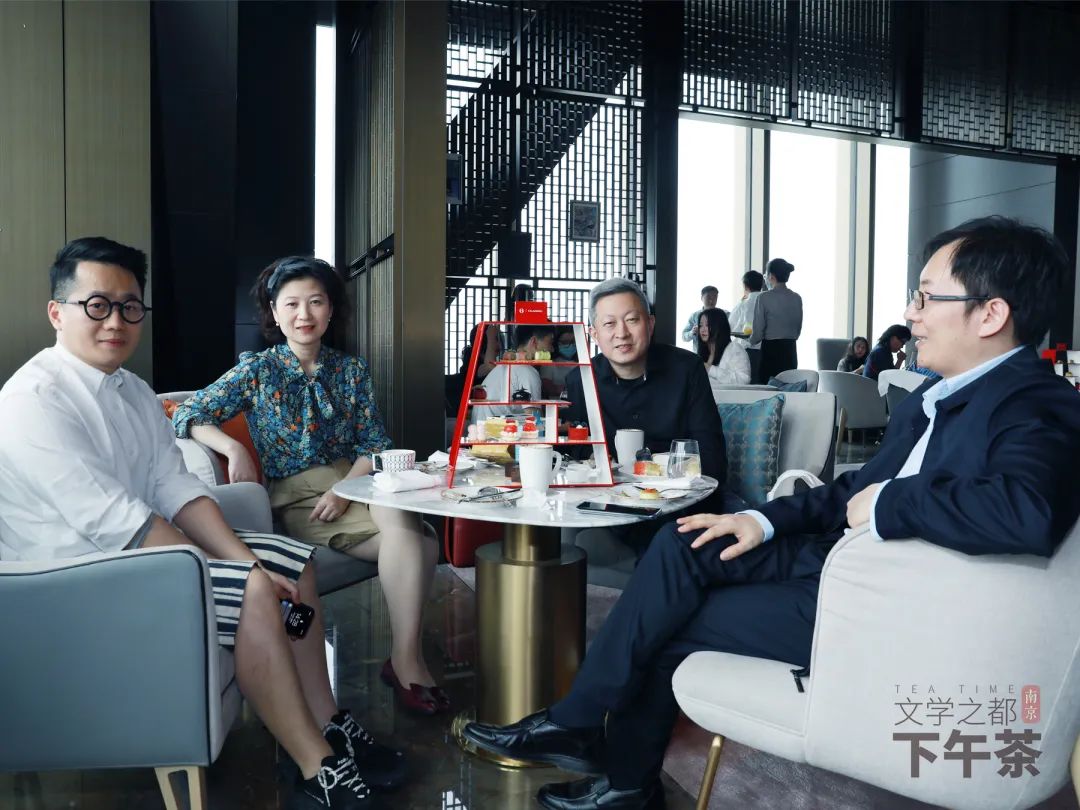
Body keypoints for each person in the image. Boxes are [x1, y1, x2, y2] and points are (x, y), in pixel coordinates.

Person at [462, 217, 1080, 810]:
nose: (911, 314)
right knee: (685, 541)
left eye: (925, 297)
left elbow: (1027, 511)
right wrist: (761, 520)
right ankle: (580, 728)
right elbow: (853, 488)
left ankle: (620, 778)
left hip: (886, 609)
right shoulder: (932, 400)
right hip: (836, 563)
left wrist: (890, 502)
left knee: (673, 620)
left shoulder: (1035, 402)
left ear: (991, 314)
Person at [0, 238, 403, 809]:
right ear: (56, 312)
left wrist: (247, 559)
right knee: (254, 590)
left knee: (294, 564)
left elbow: (177, 489)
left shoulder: (132, 391)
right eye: (97, 305)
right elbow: (118, 523)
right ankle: (318, 768)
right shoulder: (34, 398)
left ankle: (326, 723)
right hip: (71, 583)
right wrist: (242, 573)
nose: (115, 321)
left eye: (129, 306)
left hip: (127, 559)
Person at [172, 256, 446, 717]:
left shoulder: (351, 370)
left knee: (414, 529)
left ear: (331, 310)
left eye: (316, 302)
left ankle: (405, 659)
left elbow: (373, 444)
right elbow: (189, 413)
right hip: (299, 497)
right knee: (422, 541)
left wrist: (345, 490)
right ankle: (406, 662)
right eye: (292, 304)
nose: (305, 314)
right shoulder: (258, 371)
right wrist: (234, 448)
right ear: (274, 313)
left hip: (357, 483)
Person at [471, 323, 557, 421]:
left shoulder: (506, 365)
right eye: (550, 342)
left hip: (482, 426)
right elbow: (535, 419)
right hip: (493, 429)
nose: (552, 349)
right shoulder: (527, 371)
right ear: (534, 342)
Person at [749, 258, 803, 382]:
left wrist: (748, 340)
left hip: (771, 352)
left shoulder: (763, 298)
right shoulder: (797, 298)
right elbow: (797, 331)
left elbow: (757, 334)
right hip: (790, 351)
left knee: (768, 389)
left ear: (771, 276)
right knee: (788, 388)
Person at [697, 307, 751, 399]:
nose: (703, 329)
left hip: (730, 402)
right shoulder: (703, 351)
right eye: (701, 325)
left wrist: (710, 369)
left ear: (719, 326)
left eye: (707, 325)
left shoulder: (735, 349)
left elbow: (744, 381)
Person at [728, 270, 765, 382]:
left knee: (749, 383)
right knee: (765, 382)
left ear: (745, 286)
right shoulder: (768, 302)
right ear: (762, 284)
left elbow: (729, 327)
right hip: (768, 349)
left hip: (748, 351)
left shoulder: (743, 304)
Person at [540, 326, 579, 399]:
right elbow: (549, 389)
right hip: (557, 405)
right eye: (565, 342)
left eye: (573, 342)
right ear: (556, 343)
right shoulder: (548, 364)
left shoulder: (583, 363)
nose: (570, 345)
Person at [680, 285, 719, 353]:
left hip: (718, 355)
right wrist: (692, 332)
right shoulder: (694, 316)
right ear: (701, 298)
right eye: (708, 297)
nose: (711, 301)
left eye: (715, 297)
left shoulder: (724, 315)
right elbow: (684, 337)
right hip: (698, 356)